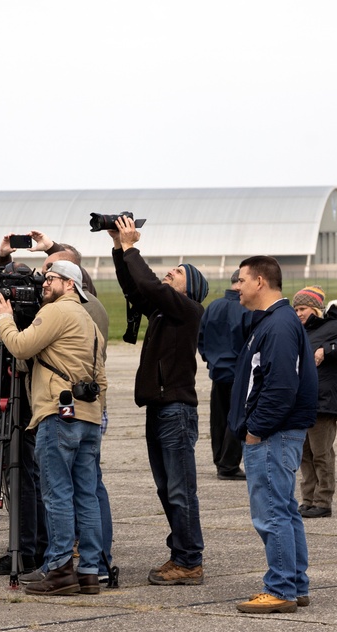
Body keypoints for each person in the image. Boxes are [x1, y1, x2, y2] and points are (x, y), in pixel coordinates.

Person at [0, 260, 107, 595]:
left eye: (52, 279)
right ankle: (88, 570)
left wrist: (4, 321)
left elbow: (21, 346)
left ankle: (58, 569)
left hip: (58, 415)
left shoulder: (58, 312)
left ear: (70, 284)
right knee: (86, 496)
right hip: (87, 418)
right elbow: (100, 377)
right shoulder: (90, 322)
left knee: (57, 494)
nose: (45, 283)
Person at [109, 215, 208, 586]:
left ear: (190, 287)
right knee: (168, 488)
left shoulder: (188, 310)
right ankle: (182, 554)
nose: (170, 272)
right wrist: (120, 248)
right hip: (160, 408)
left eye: (178, 272)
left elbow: (150, 285)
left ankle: (190, 561)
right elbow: (136, 290)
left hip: (176, 411)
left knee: (180, 489)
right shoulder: (166, 312)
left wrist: (133, 246)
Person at [229, 255, 317, 613]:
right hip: (276, 432)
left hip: (272, 434)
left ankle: (280, 588)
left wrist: (255, 431)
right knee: (284, 509)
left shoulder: (279, 325)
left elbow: (281, 387)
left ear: (261, 282)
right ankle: (295, 584)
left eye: (242, 280)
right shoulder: (274, 321)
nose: (237, 287)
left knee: (272, 512)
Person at [292, 286, 337, 518]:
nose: (298, 313)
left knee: (321, 453)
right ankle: (308, 498)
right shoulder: (300, 330)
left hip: (323, 401)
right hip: (301, 402)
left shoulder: (334, 326)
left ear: (315, 309)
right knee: (305, 455)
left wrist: (327, 349)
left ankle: (323, 501)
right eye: (296, 309)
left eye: (302, 308)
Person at [198, 270, 249, 481]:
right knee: (236, 418)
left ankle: (220, 460)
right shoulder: (246, 309)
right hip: (239, 371)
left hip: (217, 370)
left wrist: (210, 360)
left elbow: (201, 338)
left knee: (218, 418)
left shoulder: (213, 306)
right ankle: (229, 465)